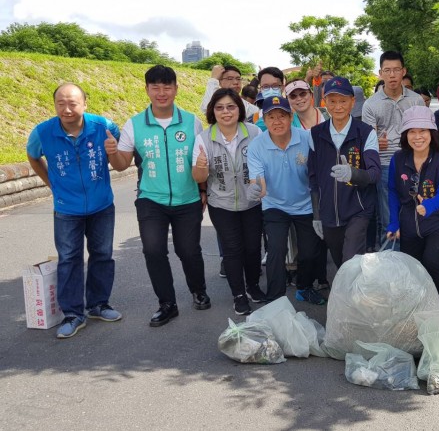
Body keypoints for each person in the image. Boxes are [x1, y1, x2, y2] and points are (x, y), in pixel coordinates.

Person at [107, 64, 209, 327]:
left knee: (189, 251)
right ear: (147, 90)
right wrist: (111, 151)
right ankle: (167, 303)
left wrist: (203, 191)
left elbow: (201, 161)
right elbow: (121, 164)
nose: (161, 92)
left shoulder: (191, 122)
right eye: (155, 87)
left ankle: (198, 290)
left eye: (167, 86)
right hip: (151, 199)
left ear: (176, 89)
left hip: (188, 199)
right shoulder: (134, 124)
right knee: (153, 251)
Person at [26, 83, 122, 338]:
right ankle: (72, 313)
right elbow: (33, 156)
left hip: (102, 204)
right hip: (66, 208)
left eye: (73, 103)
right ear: (55, 104)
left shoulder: (104, 126)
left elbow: (120, 147)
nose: (67, 109)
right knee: (69, 259)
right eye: (61, 103)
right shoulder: (43, 132)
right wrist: (52, 184)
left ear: (85, 104)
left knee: (102, 254)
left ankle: (99, 304)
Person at [191, 89, 266, 315]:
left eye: (231, 107)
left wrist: (260, 189)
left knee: (253, 248)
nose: (226, 112)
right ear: (213, 111)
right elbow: (199, 178)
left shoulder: (253, 133)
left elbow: (264, 164)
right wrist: (201, 167)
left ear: (239, 109)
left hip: (251, 202)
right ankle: (239, 295)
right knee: (233, 250)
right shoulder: (204, 138)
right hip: (221, 204)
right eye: (220, 107)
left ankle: (253, 286)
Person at [247, 96, 326, 305]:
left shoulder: (307, 138)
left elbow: (318, 171)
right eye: (271, 117)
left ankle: (304, 287)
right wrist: (257, 189)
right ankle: (275, 297)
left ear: (291, 117)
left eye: (282, 116)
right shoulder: (257, 145)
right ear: (264, 119)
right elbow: (258, 180)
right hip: (274, 204)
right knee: (276, 250)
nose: (277, 121)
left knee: (309, 252)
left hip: (305, 203)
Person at [386, 106, 439, 307]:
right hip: (409, 224)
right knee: (413, 268)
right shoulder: (398, 159)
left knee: (432, 261)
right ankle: (417, 308)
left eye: (423, 131)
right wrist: (393, 223)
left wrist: (429, 204)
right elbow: (392, 191)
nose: (418, 136)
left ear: (431, 133)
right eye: (412, 131)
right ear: (405, 135)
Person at [308, 77, 381, 267]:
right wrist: (317, 215)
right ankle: (351, 293)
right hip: (329, 213)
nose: (338, 106)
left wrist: (353, 174)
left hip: (359, 209)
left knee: (351, 261)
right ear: (325, 101)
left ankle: (351, 296)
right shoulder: (315, 134)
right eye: (332, 101)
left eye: (343, 100)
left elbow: (374, 174)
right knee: (341, 262)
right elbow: (313, 178)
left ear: (352, 102)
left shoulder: (365, 133)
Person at [361, 51, 424, 248]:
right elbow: (368, 141)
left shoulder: (416, 101)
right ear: (380, 73)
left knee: (416, 216)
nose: (392, 75)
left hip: (414, 164)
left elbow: (425, 134)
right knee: (389, 220)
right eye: (387, 70)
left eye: (396, 70)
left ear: (403, 71)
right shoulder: (370, 104)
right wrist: (374, 143)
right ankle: (388, 270)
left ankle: (413, 266)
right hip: (386, 164)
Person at [285, 79, 331, 289]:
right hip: (304, 188)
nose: (299, 99)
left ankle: (323, 277)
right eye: (293, 96)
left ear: (311, 95)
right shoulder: (288, 124)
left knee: (330, 234)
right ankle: (315, 278)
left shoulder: (329, 115)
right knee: (314, 235)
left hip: (333, 185)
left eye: (302, 94)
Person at [252, 66, 286, 131]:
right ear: (261, 89)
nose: (270, 90)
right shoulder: (255, 117)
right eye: (265, 87)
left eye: (275, 86)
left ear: (282, 87)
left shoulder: (294, 113)